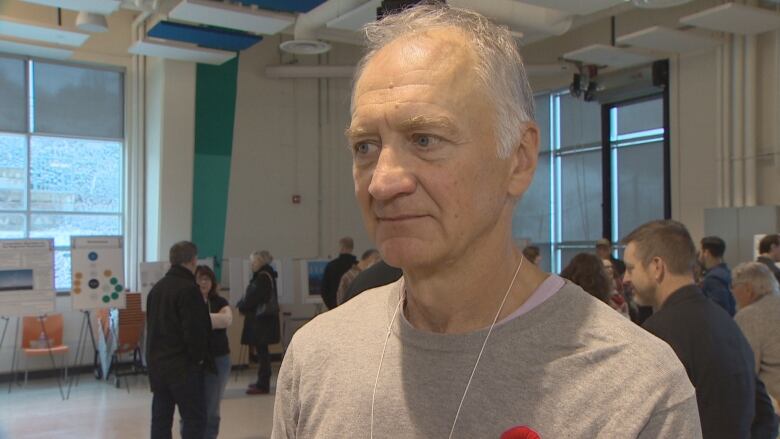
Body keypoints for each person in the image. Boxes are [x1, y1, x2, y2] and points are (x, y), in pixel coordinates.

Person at [272, 5, 700, 438]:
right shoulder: (317, 356)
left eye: (424, 139)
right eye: (366, 146)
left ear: (518, 159)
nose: (382, 182)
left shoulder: (633, 387)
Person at [622, 220, 777, 438]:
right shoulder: (726, 321)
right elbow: (764, 412)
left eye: (630, 268)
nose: (625, 278)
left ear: (657, 267)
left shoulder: (658, 334)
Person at [146, 241, 212, 439]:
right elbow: (195, 330)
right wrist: (199, 359)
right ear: (193, 260)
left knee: (160, 420)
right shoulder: (189, 290)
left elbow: (153, 328)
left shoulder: (156, 290)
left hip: (158, 365)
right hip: (183, 367)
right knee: (194, 419)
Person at [733, 262, 780, 406]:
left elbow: (746, 371)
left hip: (772, 406)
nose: (732, 292)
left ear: (748, 289)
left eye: (734, 286)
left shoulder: (749, 315)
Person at [194, 265, 232, 439]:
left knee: (212, 407)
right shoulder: (189, 301)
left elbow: (226, 319)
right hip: (194, 360)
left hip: (218, 359)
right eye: (200, 278)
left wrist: (202, 320)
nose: (203, 282)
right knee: (192, 406)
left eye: (207, 279)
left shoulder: (220, 301)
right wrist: (212, 319)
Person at [238, 250, 280, 395]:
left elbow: (255, 297)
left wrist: (242, 305)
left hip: (261, 321)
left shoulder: (262, 277)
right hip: (264, 320)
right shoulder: (267, 275)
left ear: (261, 262)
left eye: (254, 262)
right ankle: (261, 381)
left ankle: (263, 384)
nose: (252, 265)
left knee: (262, 353)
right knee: (262, 352)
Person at [698, 236, 736, 316]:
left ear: (706, 253)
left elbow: (718, 310)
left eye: (701, 251)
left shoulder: (714, 278)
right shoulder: (726, 272)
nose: (699, 256)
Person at [320, 237, 357, 309]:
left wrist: (331, 307)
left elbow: (324, 290)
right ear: (352, 248)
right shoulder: (357, 266)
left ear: (341, 248)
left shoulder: (331, 266)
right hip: (354, 306)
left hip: (335, 306)